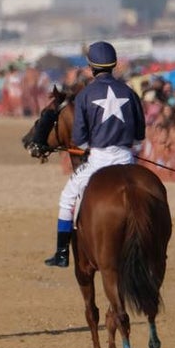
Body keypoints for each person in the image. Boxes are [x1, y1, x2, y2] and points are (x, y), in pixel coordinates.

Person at [43, 41, 146, 267]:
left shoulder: (85, 95)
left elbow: (79, 139)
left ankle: (61, 253)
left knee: (67, 198)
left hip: (99, 160)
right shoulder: (130, 92)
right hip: (127, 159)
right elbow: (140, 135)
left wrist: (92, 143)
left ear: (91, 67)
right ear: (114, 65)